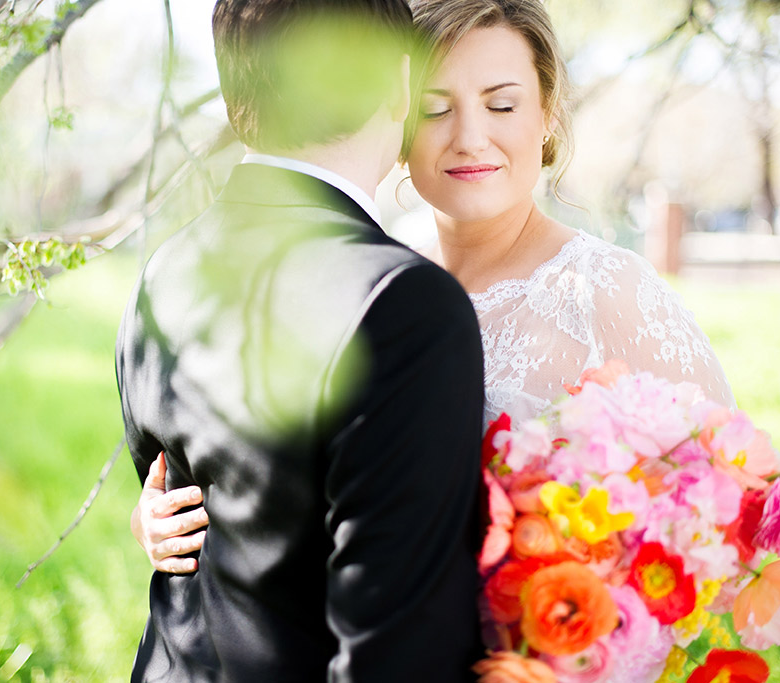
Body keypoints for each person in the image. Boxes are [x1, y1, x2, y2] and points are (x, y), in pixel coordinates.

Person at [135, 0, 736, 591]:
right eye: (434, 109)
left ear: (548, 113)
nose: (471, 138)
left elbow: (727, 503)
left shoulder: (608, 291)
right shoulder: (363, 282)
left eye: (502, 104)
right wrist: (162, 516)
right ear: (395, 113)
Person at [115, 0, 486, 680]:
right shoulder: (401, 303)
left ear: (236, 95)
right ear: (399, 83)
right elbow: (396, 649)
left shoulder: (164, 273)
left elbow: (194, 512)